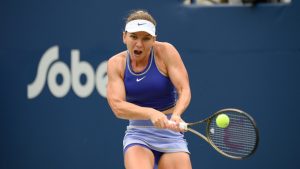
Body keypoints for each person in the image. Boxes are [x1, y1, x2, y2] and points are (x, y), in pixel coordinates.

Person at [106, 9, 192, 169]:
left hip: (170, 134)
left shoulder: (166, 52)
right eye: (133, 37)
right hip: (139, 134)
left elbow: (184, 89)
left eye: (146, 38)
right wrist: (151, 113)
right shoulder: (115, 63)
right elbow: (117, 106)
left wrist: (177, 114)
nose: (139, 44)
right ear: (124, 37)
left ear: (154, 40)